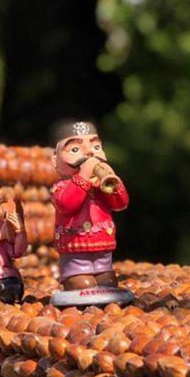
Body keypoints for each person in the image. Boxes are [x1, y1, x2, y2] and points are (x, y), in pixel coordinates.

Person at [49, 120, 134, 307]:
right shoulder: (60, 187)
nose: (89, 153)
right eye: (74, 150)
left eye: (96, 146)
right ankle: (74, 278)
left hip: (103, 250)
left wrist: (115, 183)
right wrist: (83, 176)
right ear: (55, 160)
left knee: (108, 283)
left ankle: (101, 276)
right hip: (75, 250)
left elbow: (122, 203)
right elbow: (67, 205)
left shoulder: (101, 184)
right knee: (84, 285)